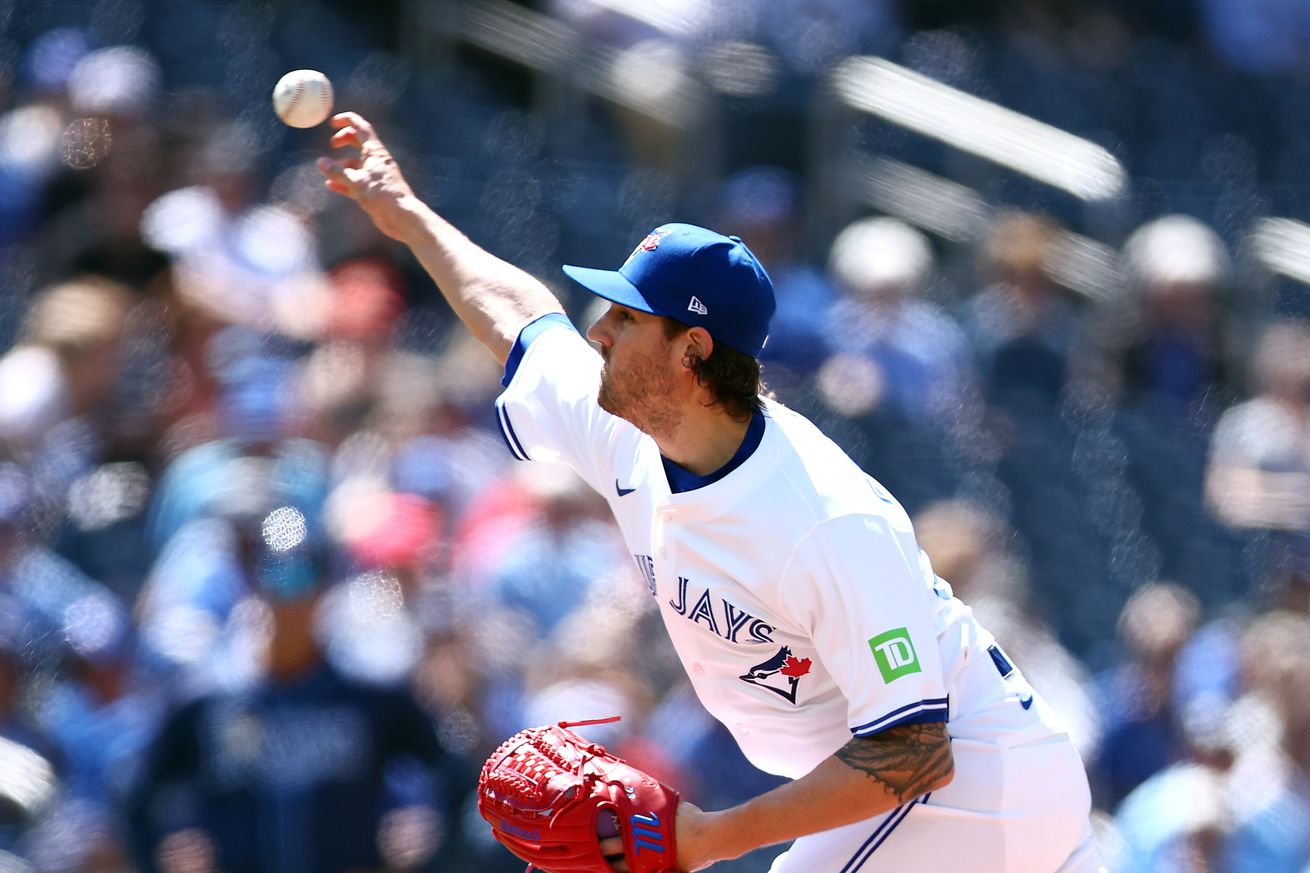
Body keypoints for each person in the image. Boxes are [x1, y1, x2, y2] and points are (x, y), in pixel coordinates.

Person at [318, 111, 1101, 872]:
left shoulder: (822, 518)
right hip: (945, 786)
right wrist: (410, 216)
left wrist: (706, 838)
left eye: (626, 317)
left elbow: (914, 748)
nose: (601, 332)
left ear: (691, 350)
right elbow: (524, 320)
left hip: (970, 783)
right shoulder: (627, 425)